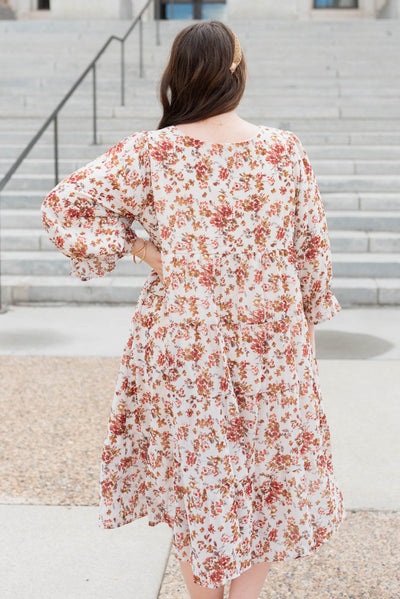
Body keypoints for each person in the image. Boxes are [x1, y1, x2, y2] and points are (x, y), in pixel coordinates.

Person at [41, 20, 346, 599]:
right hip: (271, 338)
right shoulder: (284, 150)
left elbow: (66, 206)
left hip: (185, 338)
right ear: (235, 71)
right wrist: (300, 326)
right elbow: (311, 253)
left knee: (198, 477)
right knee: (265, 482)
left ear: (179, 75)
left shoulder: (155, 152)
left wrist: (146, 250)